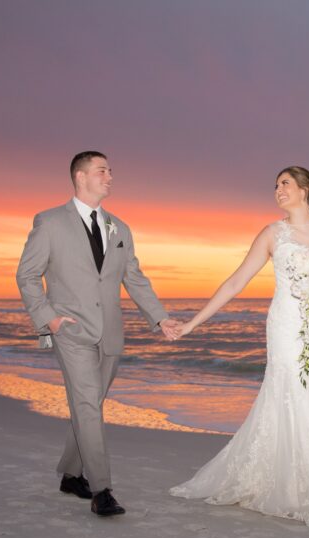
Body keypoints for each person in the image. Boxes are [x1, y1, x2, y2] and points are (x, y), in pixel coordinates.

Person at [169, 166, 309, 528]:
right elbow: (236, 281)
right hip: (286, 326)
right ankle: (283, 487)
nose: (278, 190)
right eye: (275, 186)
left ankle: (307, 488)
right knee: (287, 395)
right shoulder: (272, 234)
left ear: (305, 189)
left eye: (285, 184)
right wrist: (193, 322)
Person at [16, 151, 183, 517]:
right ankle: (102, 489)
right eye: (102, 170)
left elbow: (134, 278)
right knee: (89, 406)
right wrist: (50, 319)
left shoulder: (119, 228)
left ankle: (71, 475)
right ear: (80, 177)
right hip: (71, 331)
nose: (110, 176)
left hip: (110, 334)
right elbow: (26, 276)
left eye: (111, 171)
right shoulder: (50, 222)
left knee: (88, 406)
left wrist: (160, 318)